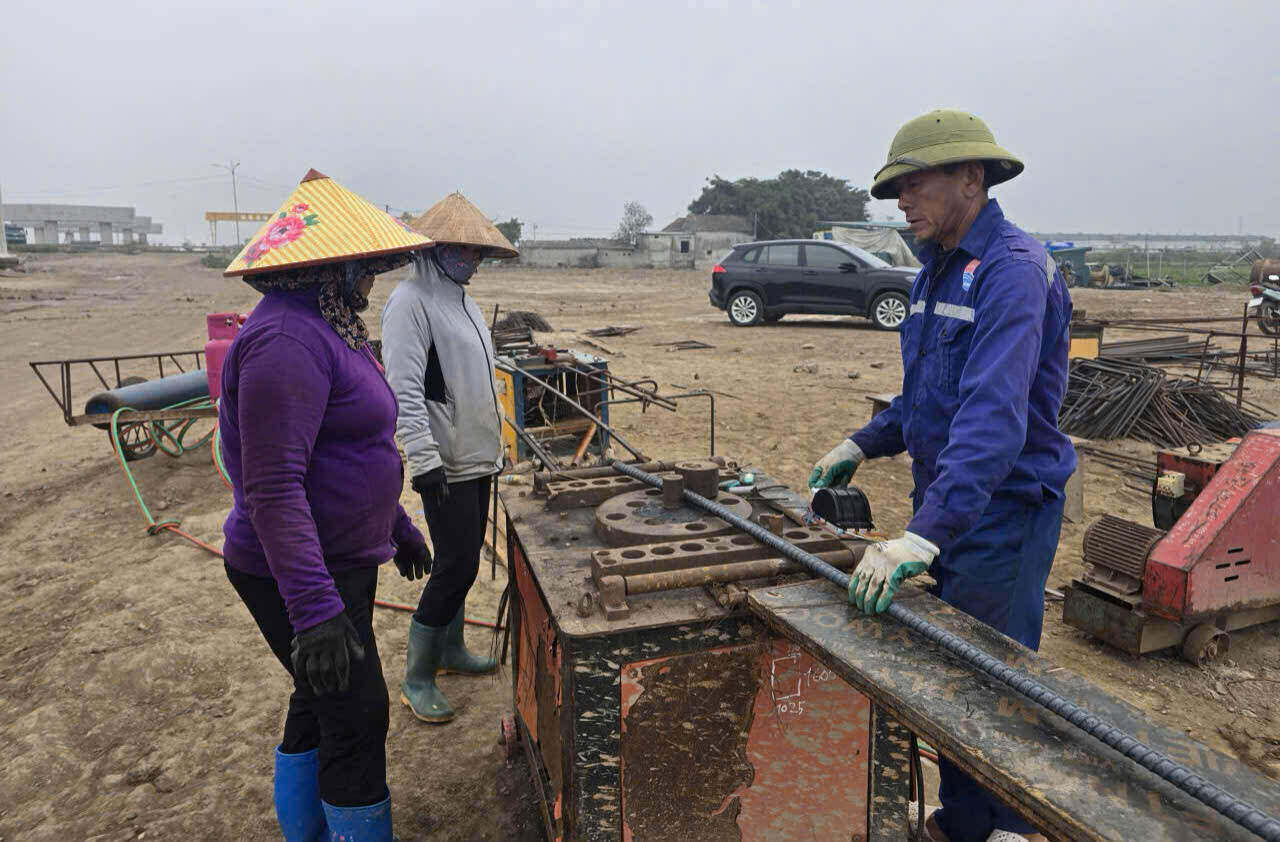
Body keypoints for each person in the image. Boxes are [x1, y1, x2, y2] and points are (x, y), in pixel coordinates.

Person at [809, 110, 1075, 842]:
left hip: (1005, 510)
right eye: (897, 188)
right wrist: (861, 442)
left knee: (993, 683)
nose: (903, 201)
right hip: (955, 506)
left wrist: (922, 537)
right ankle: (965, 821)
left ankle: (1012, 829)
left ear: (970, 177)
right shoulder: (936, 272)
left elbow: (993, 419)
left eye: (915, 184)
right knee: (953, 678)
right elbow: (929, 394)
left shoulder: (1013, 273)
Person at [218, 168, 434, 842]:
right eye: (364, 267)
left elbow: (351, 448)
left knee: (321, 697)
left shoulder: (327, 325)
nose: (372, 280)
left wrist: (396, 525)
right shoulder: (286, 342)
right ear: (331, 269)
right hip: (296, 570)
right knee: (357, 714)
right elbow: (274, 485)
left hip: (341, 558)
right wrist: (313, 612)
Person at [381, 192, 519, 724]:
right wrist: (424, 460)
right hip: (446, 462)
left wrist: (496, 443)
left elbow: (478, 379)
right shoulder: (410, 302)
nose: (473, 259)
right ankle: (418, 676)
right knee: (455, 565)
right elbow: (406, 391)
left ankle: (453, 649)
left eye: (478, 251)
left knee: (459, 561)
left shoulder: (463, 300)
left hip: (476, 456)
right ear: (435, 247)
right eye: (463, 249)